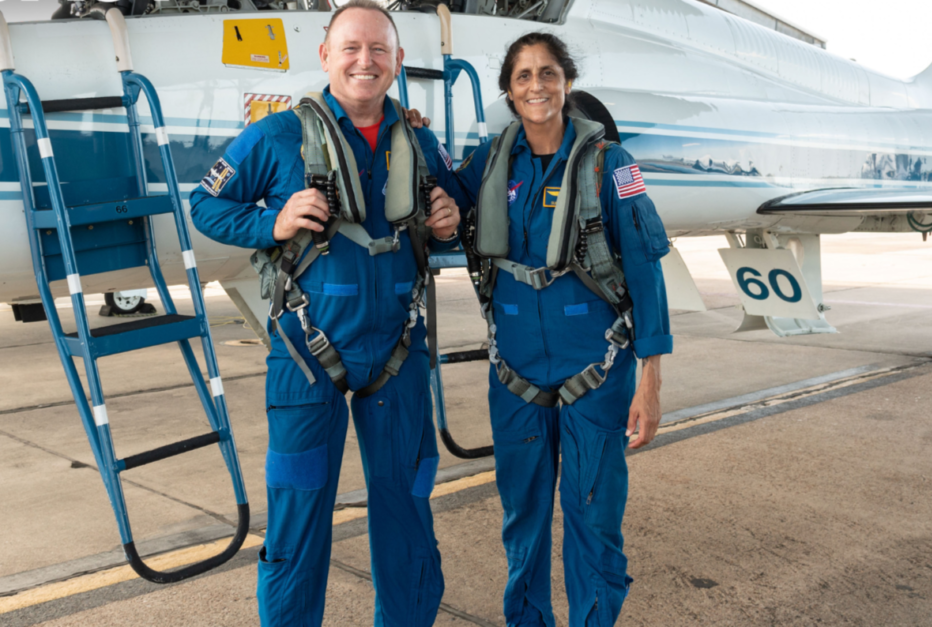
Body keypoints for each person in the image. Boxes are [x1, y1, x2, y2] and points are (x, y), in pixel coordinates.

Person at [189, 1, 465, 624]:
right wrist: (273, 220)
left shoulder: (419, 140)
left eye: (378, 50)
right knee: (298, 511)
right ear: (325, 57)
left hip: (398, 352)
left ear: (396, 62)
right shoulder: (278, 135)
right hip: (306, 353)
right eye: (350, 48)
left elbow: (455, 208)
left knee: (407, 508)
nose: (364, 61)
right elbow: (204, 203)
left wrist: (448, 220)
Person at [453, 33, 672, 626]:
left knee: (593, 518)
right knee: (522, 520)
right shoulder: (491, 162)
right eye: (523, 76)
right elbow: (441, 196)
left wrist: (650, 382)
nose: (536, 86)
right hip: (515, 374)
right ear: (509, 90)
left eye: (547, 73)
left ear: (567, 82)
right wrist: (416, 130)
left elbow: (648, 274)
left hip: (596, 373)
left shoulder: (612, 166)